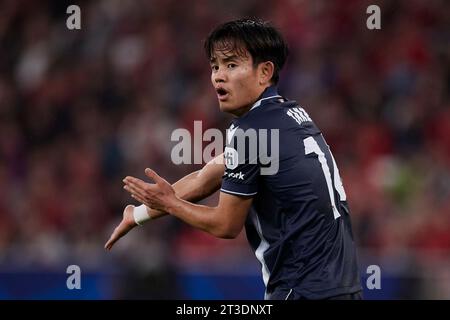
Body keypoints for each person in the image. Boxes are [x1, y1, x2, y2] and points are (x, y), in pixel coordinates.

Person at [105, 18, 362, 300]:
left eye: (231, 65)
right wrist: (139, 214)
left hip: (302, 291)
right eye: (215, 66)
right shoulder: (289, 115)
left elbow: (226, 225)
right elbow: (205, 178)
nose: (218, 76)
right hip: (343, 290)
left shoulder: (250, 130)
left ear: (264, 72)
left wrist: (171, 204)